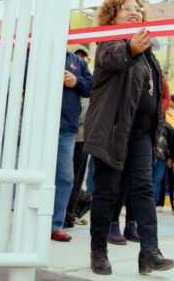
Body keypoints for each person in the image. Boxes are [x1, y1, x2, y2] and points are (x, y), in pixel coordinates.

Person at [82, 0, 174, 276]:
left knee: (144, 190)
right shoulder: (110, 41)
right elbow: (115, 58)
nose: (135, 12)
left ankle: (149, 250)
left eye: (138, 9)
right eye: (127, 8)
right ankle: (99, 250)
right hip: (113, 129)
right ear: (113, 15)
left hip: (141, 133)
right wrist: (130, 49)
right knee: (107, 191)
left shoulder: (148, 52)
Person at [50, 48, 93, 241]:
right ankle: (29, 221)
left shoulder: (78, 61)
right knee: (38, 175)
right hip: (40, 125)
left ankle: (55, 224)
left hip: (67, 127)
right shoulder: (38, 55)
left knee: (66, 178)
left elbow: (91, 86)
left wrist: (75, 82)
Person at [65, 46, 92, 229]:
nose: (81, 59)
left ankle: (70, 214)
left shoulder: (87, 82)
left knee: (76, 179)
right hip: (69, 134)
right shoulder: (68, 81)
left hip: (82, 138)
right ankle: (65, 213)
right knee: (66, 177)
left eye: (84, 57)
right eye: (78, 56)